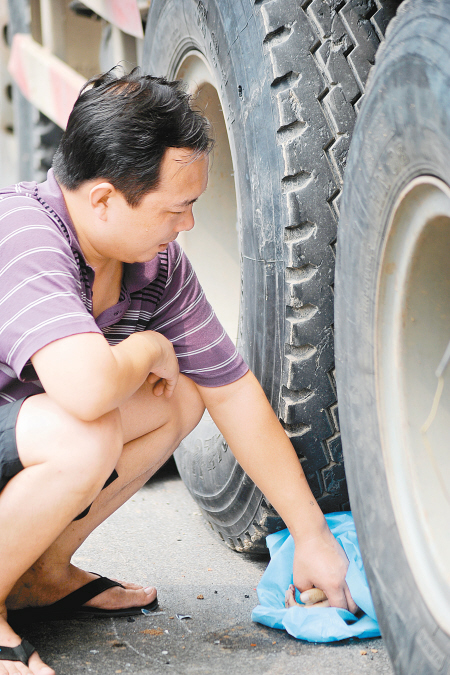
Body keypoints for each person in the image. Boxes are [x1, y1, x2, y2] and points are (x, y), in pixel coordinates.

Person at [0, 68, 356, 675]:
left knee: (181, 398)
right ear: (105, 199)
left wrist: (312, 534)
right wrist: (146, 350)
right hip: (40, 426)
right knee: (87, 432)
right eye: (178, 207)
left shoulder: (155, 263)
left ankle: (39, 574)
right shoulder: (25, 234)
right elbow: (85, 391)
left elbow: (233, 392)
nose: (188, 224)